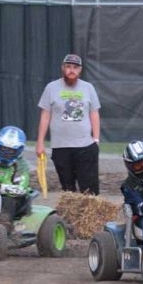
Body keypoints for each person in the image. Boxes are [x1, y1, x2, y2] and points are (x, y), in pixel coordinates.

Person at [35, 54, 101, 195]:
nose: (72, 70)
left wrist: (96, 139)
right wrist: (40, 142)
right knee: (68, 190)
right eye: (68, 67)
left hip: (85, 146)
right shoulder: (51, 88)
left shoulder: (88, 88)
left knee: (89, 190)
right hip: (61, 146)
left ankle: (89, 216)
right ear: (63, 68)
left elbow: (94, 114)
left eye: (75, 67)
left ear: (80, 70)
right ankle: (72, 217)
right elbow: (45, 115)